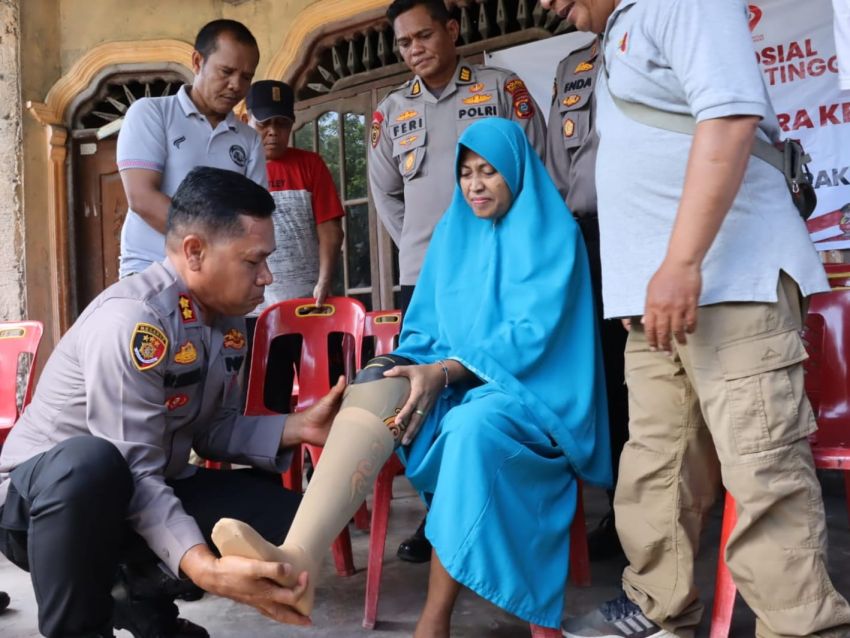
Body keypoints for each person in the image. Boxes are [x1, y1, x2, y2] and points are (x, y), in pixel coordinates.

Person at [212, 118, 611, 636]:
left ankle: (435, 619)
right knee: (377, 383)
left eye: (489, 171)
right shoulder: (452, 231)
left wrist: (445, 371)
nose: (475, 185)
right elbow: (424, 327)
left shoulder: (553, 233)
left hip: (533, 395)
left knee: (471, 430)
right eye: (466, 173)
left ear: (515, 170)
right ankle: (299, 556)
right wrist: (412, 367)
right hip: (457, 382)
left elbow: (534, 336)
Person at [538, 1, 850, 637]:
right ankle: (658, 606)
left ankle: (803, 629)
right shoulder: (619, 29)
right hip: (658, 300)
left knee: (763, 474)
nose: (543, 3)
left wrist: (681, 262)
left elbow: (730, 118)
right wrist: (643, 280)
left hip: (730, 283)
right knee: (656, 465)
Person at [0, 167, 345, 638]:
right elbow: (133, 468)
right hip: (43, 509)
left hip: (136, 486)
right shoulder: (133, 323)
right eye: (254, 261)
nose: (267, 277)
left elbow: (210, 430)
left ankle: (137, 599)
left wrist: (299, 426)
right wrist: (203, 567)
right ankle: (80, 628)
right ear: (195, 251)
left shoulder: (224, 320)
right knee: (92, 464)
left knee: (289, 520)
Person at [368, 0, 547, 563]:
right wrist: (428, 249)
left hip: (499, 275)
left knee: (487, 387)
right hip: (425, 279)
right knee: (426, 396)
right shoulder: (391, 112)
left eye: (423, 36)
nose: (414, 49)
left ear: (452, 29)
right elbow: (385, 194)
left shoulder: (500, 88)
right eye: (404, 43)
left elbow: (535, 170)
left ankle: (498, 506)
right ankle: (439, 514)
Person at [545, 36, 629, 561]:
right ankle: (623, 514)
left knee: (648, 379)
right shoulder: (571, 67)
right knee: (606, 380)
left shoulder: (648, 37)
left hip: (641, 227)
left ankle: (667, 512)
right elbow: (558, 169)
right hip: (587, 240)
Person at [117, 19, 267, 278]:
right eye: (226, 71)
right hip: (152, 272)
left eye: (246, 77)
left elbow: (255, 214)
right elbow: (142, 197)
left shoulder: (249, 139)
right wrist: (213, 248)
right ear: (198, 62)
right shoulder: (152, 113)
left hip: (218, 277)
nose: (236, 85)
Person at [244, 79, 346, 412]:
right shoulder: (237, 171)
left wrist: (324, 282)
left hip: (310, 306)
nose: (273, 132)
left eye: (282, 124)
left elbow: (330, 229)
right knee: (265, 403)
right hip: (256, 312)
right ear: (246, 120)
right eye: (264, 123)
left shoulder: (310, 165)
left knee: (327, 396)